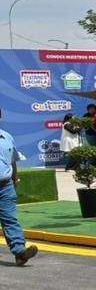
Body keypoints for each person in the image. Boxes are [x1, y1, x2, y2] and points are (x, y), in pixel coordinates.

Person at [0, 106, 39, 266]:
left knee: (10, 219)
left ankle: (20, 252)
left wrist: (15, 178)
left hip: (5, 186)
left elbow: (12, 160)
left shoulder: (7, 137)